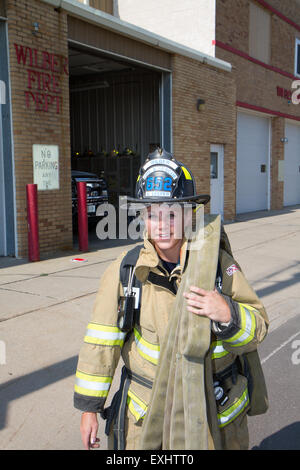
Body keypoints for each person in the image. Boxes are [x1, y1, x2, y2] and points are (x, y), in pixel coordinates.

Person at [74, 148, 269, 450]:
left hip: (214, 418)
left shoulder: (219, 266)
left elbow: (257, 330)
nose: (162, 223)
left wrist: (227, 314)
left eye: (172, 212)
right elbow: (101, 341)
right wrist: (89, 408)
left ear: (189, 213)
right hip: (148, 417)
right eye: (153, 214)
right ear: (143, 216)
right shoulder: (126, 271)